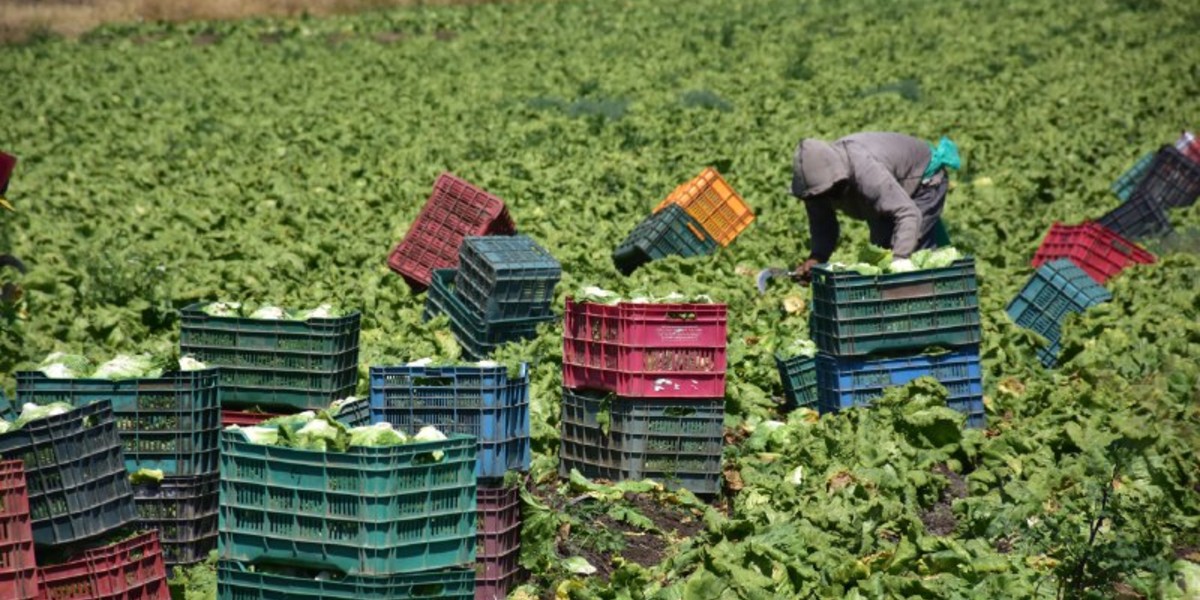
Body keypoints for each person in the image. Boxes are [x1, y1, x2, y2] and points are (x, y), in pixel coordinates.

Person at [790, 132, 959, 277]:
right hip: (887, 192)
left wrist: (900, 259)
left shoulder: (865, 171)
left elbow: (908, 213)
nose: (827, 199)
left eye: (828, 193)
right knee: (881, 256)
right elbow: (823, 225)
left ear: (838, 181)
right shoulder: (815, 189)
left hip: (922, 181)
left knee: (915, 256)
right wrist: (817, 258)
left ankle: (927, 305)